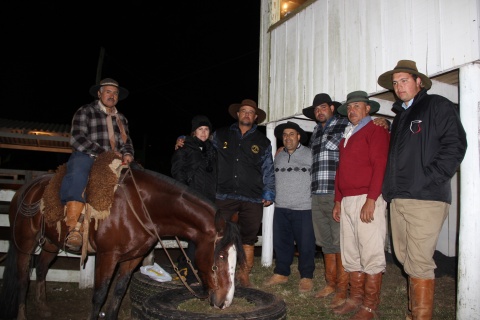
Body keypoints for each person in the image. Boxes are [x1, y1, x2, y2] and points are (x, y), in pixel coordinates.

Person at [377, 60, 467, 319]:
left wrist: (429, 179)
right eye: (395, 83)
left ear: (419, 82)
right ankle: (412, 312)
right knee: (404, 258)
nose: (398, 86)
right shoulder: (401, 115)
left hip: (426, 198)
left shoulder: (437, 105)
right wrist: (390, 191)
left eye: (404, 80)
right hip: (399, 198)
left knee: (418, 261)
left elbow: (455, 145)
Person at [175, 99, 275, 287]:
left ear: (255, 117)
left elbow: (268, 168)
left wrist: (269, 191)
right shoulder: (220, 134)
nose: (246, 114)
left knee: (249, 237)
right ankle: (213, 272)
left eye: (250, 112)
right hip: (223, 195)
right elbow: (200, 141)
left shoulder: (263, 141)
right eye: (243, 111)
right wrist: (184, 139)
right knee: (216, 234)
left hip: (252, 196)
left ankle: (243, 275)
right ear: (237, 114)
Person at [331, 91, 390, 319]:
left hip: (367, 198)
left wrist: (372, 199)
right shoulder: (348, 134)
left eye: (357, 106)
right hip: (347, 200)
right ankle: (354, 298)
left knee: (371, 250)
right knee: (351, 251)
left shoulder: (376, 129)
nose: (353, 110)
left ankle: (369, 306)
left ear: (368, 108)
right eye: (350, 107)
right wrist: (338, 200)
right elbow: (341, 170)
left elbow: (380, 164)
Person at [60, 78, 134, 251]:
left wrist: (128, 154)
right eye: (108, 92)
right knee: (78, 172)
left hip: (116, 158)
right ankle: (73, 228)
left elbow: (127, 142)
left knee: (138, 180)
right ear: (99, 93)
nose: (112, 95)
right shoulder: (86, 111)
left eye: (115, 93)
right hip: (89, 155)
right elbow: (77, 138)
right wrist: (103, 153)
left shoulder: (121, 118)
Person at [301, 93, 350, 306]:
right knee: (325, 241)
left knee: (340, 241)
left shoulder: (345, 125)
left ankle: (342, 288)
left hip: (335, 192)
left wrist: (382, 122)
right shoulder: (315, 132)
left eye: (323, 107)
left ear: (331, 107)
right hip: (317, 193)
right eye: (316, 110)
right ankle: (330, 283)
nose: (319, 112)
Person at [263, 121, 316, 293]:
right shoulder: (278, 156)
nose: (288, 138)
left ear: (299, 136)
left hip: (304, 208)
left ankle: (306, 276)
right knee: (281, 243)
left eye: (291, 134)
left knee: (306, 244)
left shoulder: (310, 154)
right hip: (281, 207)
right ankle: (281, 273)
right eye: (285, 135)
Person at [171, 115, 217, 285]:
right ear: (194, 132)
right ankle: (191, 275)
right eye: (200, 129)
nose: (204, 132)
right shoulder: (185, 148)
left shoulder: (212, 149)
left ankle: (206, 271)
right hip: (192, 199)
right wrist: (186, 194)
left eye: (206, 129)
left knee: (207, 237)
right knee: (194, 237)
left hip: (210, 200)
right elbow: (177, 172)